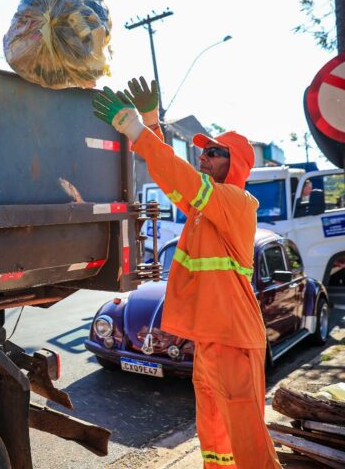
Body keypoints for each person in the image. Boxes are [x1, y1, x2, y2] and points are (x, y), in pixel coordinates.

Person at [93, 78, 282, 469]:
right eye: (203, 152)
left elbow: (183, 180)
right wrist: (151, 124)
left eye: (214, 152)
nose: (204, 157)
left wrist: (137, 130)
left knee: (246, 437)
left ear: (237, 165)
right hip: (212, 338)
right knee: (214, 437)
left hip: (233, 337)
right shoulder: (204, 208)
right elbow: (171, 178)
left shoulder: (236, 200)